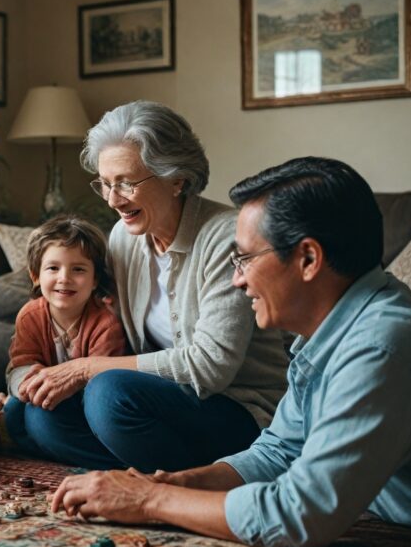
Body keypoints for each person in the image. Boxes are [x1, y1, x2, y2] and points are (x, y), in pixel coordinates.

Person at [52, 156, 411, 547]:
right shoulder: (335, 327)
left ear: (308, 258)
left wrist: (147, 502)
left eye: (246, 258)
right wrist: (175, 485)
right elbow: (279, 451)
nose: (237, 280)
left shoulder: (379, 349)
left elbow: (299, 516)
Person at [19, 100, 289, 471]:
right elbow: (91, 310)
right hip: (164, 406)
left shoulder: (227, 237)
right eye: (105, 184)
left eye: (126, 183)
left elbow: (210, 368)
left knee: (107, 393)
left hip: (239, 408)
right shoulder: (123, 238)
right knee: (37, 414)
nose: (113, 200)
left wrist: (84, 368)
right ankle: (159, 470)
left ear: (176, 179)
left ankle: (197, 476)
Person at [4, 215, 127, 461]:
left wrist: (57, 389)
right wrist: (31, 382)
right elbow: (18, 366)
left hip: (84, 410)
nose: (64, 278)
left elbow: (100, 385)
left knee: (39, 419)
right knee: (14, 411)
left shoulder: (105, 322)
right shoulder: (30, 315)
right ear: (35, 276)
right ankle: (54, 450)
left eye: (78, 269)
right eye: (53, 268)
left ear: (95, 281)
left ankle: (112, 464)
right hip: (46, 401)